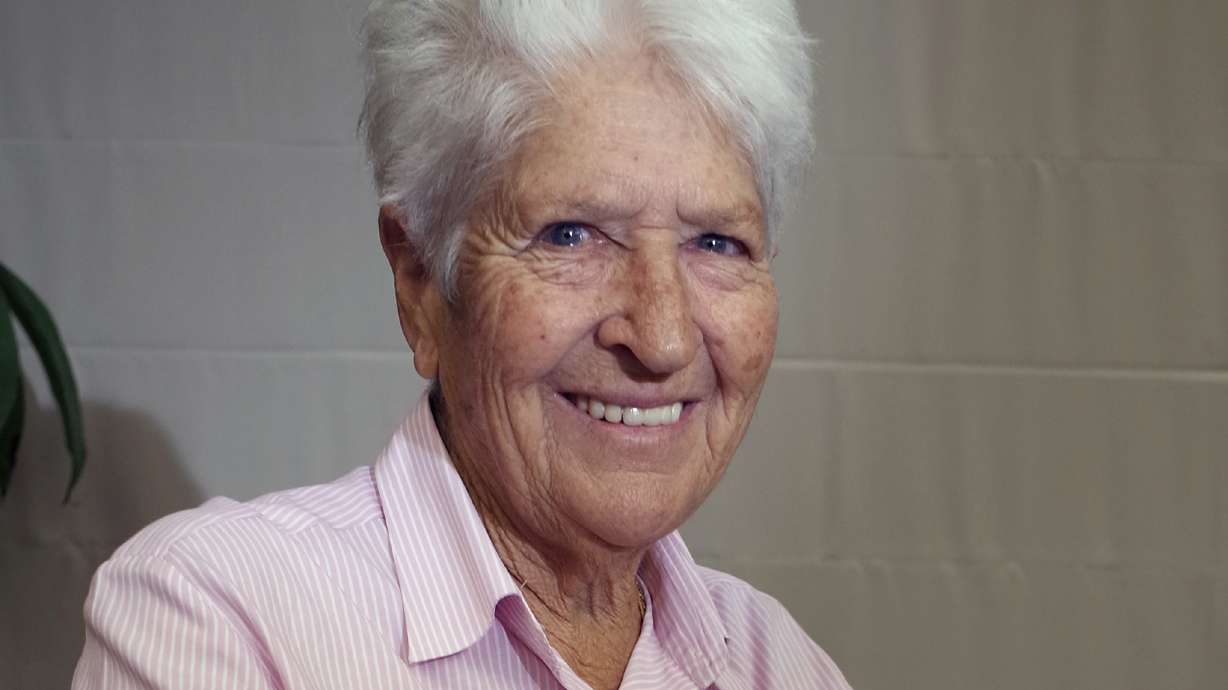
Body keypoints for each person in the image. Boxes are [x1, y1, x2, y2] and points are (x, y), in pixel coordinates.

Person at [73, 1, 852, 688]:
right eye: (572, 234)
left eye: (717, 242)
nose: (662, 336)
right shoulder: (221, 614)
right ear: (419, 283)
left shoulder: (776, 662)